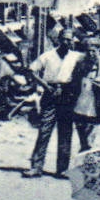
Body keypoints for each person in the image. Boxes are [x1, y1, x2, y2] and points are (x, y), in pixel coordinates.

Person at [26, 26, 80, 178]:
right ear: (58, 39)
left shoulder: (76, 57)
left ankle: (62, 169)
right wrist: (45, 86)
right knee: (44, 131)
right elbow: (30, 70)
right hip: (50, 95)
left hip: (67, 95)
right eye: (63, 39)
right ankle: (36, 166)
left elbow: (90, 63)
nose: (66, 42)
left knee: (65, 133)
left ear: (73, 41)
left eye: (69, 39)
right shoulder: (48, 55)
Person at [69, 34, 100, 156]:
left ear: (99, 50)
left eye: (93, 51)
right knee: (83, 141)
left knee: (89, 142)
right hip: (79, 107)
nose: (91, 54)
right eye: (88, 51)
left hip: (95, 109)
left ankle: (86, 161)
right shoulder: (80, 66)